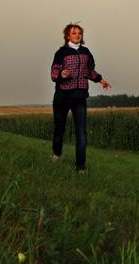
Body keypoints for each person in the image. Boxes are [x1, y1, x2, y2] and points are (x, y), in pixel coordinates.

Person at [51, 22, 110, 172]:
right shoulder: (61, 53)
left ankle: (81, 167)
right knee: (59, 129)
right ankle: (57, 154)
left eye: (79, 33)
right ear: (67, 36)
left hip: (80, 97)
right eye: (74, 33)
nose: (77, 35)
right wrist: (61, 74)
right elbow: (53, 73)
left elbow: (89, 71)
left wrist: (100, 79)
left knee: (81, 133)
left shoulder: (86, 52)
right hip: (62, 96)